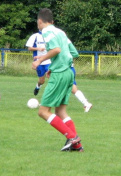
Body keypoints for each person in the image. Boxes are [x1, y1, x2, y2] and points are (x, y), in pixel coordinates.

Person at [31, 8, 84, 152]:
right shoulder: (61, 32)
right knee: (60, 111)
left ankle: (72, 137)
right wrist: (53, 66)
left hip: (60, 75)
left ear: (40, 21)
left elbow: (56, 50)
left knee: (43, 111)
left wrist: (39, 60)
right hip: (68, 73)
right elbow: (74, 53)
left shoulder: (46, 32)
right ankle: (77, 146)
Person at [26, 29, 50, 96]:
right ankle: (38, 87)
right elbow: (29, 48)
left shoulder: (50, 36)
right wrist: (38, 49)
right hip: (38, 62)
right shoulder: (35, 36)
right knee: (42, 81)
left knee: (51, 77)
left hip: (49, 60)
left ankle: (49, 94)